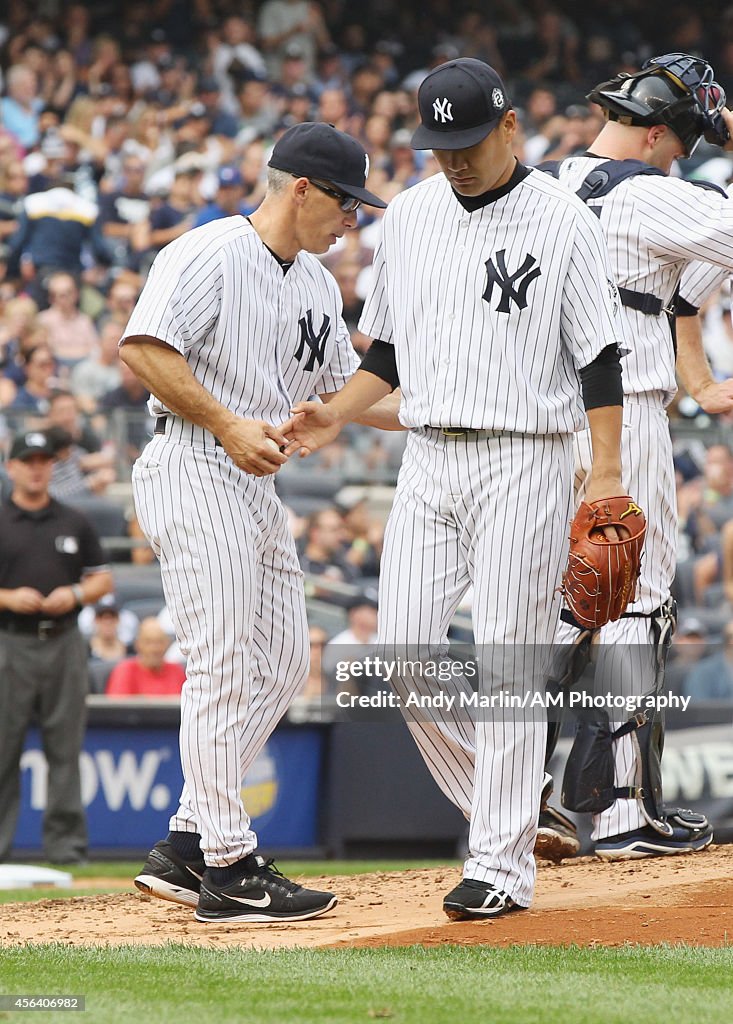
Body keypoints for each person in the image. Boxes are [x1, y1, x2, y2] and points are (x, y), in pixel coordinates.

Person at [286, 59, 630, 919]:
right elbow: (388, 356)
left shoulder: (562, 219)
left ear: (509, 127)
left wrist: (609, 471)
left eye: (469, 142)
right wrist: (333, 415)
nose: (455, 160)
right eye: (439, 146)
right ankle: (509, 807)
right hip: (430, 454)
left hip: (527, 454)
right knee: (403, 652)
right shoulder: (408, 214)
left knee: (509, 661)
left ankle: (501, 865)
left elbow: (598, 356)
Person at [120, 122, 395, 923]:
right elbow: (143, 350)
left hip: (252, 484)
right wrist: (229, 423)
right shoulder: (205, 252)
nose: (353, 218)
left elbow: (355, 391)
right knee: (221, 663)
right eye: (345, 201)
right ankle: (229, 864)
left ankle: (182, 844)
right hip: (193, 463)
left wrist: (466, 413)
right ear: (302, 188)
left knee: (278, 664)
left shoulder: (312, 280)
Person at [532, 52, 733, 862]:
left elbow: (681, 284)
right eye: (681, 141)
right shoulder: (647, 191)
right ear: (656, 133)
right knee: (635, 597)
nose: (681, 154)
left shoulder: (536, 182)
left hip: (540, 418)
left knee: (557, 601)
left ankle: (529, 792)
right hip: (625, 411)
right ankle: (623, 809)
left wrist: (695, 366)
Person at [0, 429, 113, 863]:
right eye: (27, 460)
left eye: (43, 460)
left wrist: (77, 594)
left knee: (65, 748)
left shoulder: (74, 520)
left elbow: (102, 578)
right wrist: (8, 597)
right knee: (3, 749)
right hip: (10, 642)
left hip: (63, 639)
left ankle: (66, 848)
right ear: (11, 468)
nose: (35, 468)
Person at [106, 617, 186, 697]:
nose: (155, 649)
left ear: (167, 644)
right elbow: (117, 706)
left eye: (160, 642)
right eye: (148, 642)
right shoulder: (124, 670)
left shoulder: (177, 671)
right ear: (138, 644)